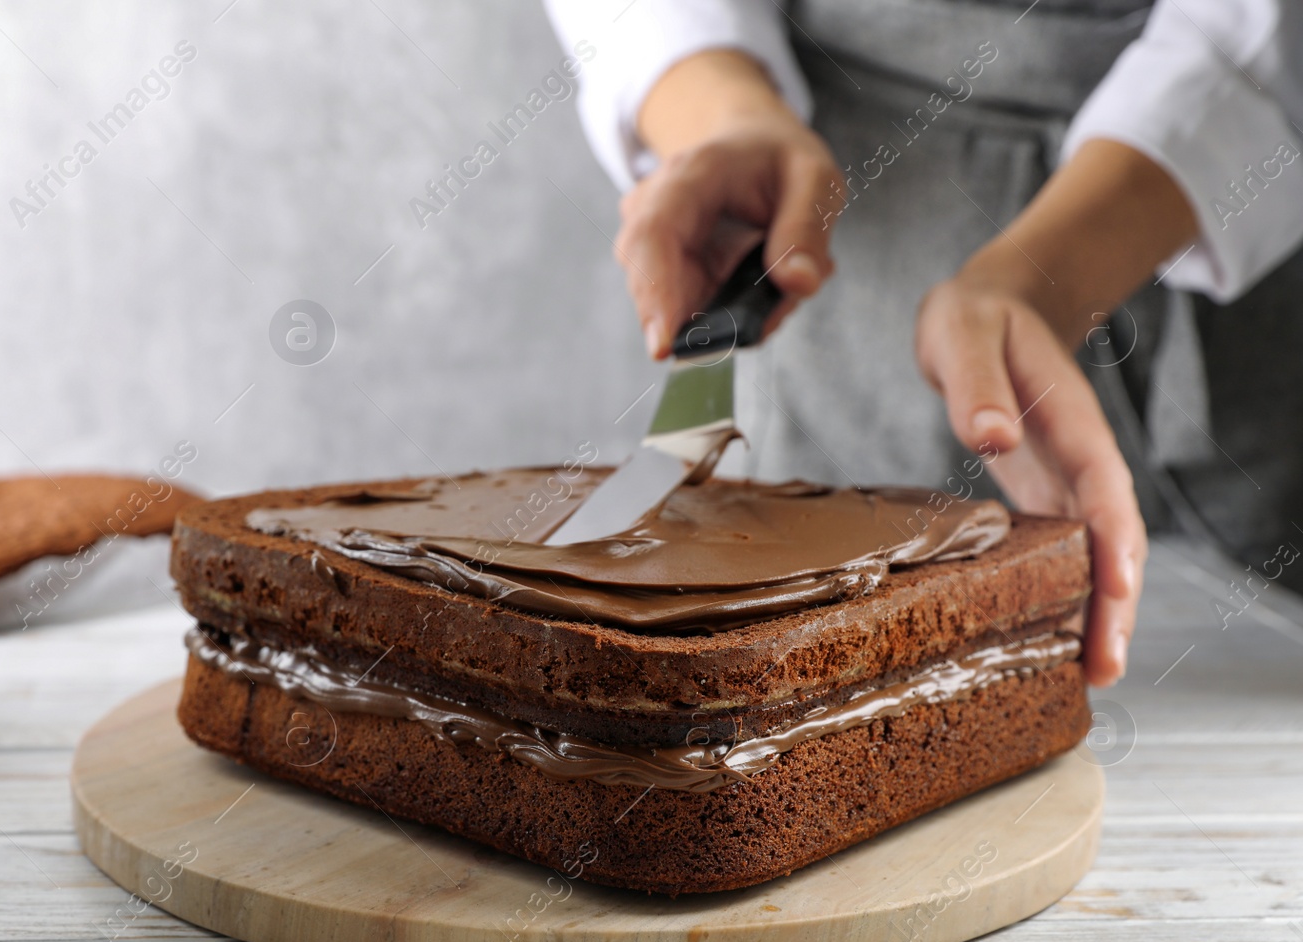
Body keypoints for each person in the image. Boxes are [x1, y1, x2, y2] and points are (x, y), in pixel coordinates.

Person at [545, 0, 1303, 687]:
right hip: (854, 243)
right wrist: (720, 113)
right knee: (814, 676)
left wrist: (1049, 280)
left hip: (1232, 255)